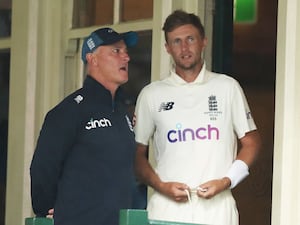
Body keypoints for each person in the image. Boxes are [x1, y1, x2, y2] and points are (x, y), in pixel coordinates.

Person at [133, 10, 261, 225]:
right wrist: (161, 186)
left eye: (190, 39)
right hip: (166, 210)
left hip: (218, 210)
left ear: (204, 41)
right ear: (167, 48)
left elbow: (252, 142)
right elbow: (137, 155)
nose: (184, 48)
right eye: (176, 41)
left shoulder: (227, 87)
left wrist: (226, 181)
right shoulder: (151, 94)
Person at [30, 27, 138, 225]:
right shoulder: (69, 111)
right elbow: (43, 169)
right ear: (93, 58)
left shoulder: (123, 112)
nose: (126, 58)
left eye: (126, 51)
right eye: (116, 51)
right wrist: (46, 210)